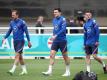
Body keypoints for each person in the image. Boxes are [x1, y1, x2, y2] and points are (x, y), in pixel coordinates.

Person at [2, 10, 32, 75]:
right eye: (12, 15)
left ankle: (12, 70)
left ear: (17, 15)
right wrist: (5, 37)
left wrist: (29, 41)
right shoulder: (11, 23)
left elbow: (26, 32)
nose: (12, 16)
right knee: (20, 57)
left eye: (13, 15)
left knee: (17, 56)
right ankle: (24, 70)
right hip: (15, 42)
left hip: (21, 41)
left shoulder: (22, 22)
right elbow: (9, 31)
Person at [42, 8, 70, 77]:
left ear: (60, 13)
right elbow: (55, 29)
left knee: (65, 57)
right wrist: (53, 36)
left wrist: (56, 35)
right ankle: (49, 71)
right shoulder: (54, 20)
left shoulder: (63, 20)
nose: (55, 13)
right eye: (54, 12)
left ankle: (68, 71)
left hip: (62, 41)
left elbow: (63, 29)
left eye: (56, 12)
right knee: (51, 54)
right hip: (55, 41)